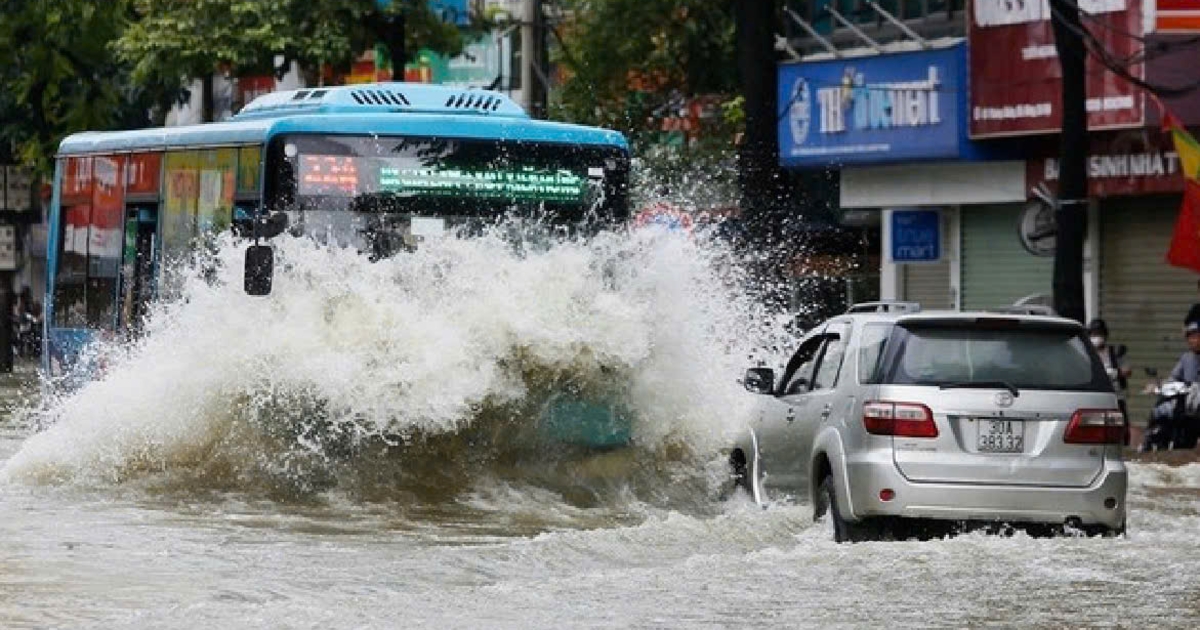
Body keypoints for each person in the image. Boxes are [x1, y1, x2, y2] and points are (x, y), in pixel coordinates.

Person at [1088, 319, 1132, 445]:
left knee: (1121, 427)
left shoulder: (1114, 352)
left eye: (1099, 334)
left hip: (1116, 396)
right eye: (1094, 334)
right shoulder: (1087, 354)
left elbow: (1127, 370)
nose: (1097, 337)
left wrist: (1115, 373)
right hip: (1095, 396)